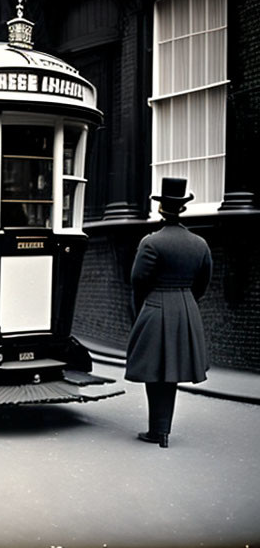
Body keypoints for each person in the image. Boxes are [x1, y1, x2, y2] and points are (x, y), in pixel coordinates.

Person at [125, 177, 212, 448]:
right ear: (182, 209)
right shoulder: (199, 243)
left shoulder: (151, 242)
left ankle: (158, 431)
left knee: (155, 371)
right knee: (170, 371)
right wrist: (185, 300)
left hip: (155, 306)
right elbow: (203, 282)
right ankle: (162, 430)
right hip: (186, 307)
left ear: (161, 208)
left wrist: (143, 308)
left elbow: (138, 281)